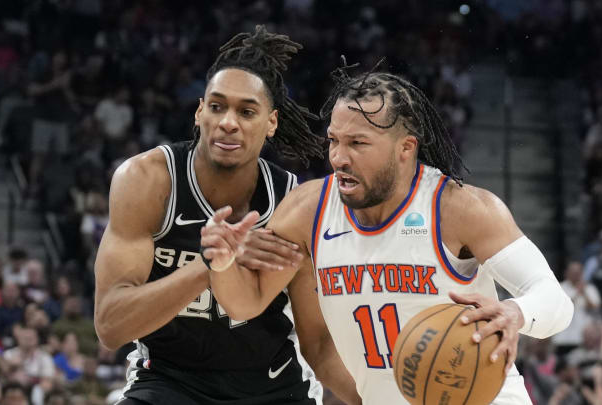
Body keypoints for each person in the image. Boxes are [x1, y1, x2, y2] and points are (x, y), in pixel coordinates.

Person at [203, 61, 574, 404]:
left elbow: (556, 302)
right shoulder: (307, 211)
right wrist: (222, 264)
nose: (338, 157)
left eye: (358, 143)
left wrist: (515, 312)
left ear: (406, 148)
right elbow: (246, 302)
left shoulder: (460, 209)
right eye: (334, 140)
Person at [93, 26, 359, 405]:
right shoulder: (149, 181)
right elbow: (109, 326)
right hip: (168, 383)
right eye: (217, 106)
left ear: (271, 123)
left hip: (274, 388)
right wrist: (212, 265)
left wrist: (372, 398)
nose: (228, 122)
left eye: (247, 111)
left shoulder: (292, 203)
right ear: (200, 111)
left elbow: (317, 343)